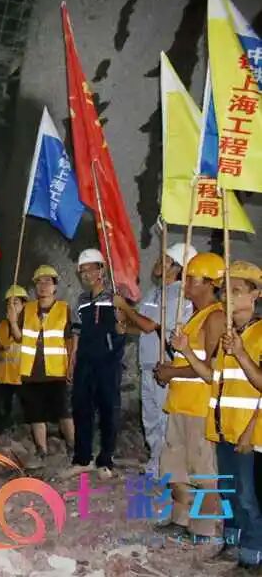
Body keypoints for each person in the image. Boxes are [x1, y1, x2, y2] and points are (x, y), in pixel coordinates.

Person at [172, 259, 261, 568]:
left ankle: (253, 556)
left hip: (248, 433)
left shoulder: (259, 334)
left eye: (237, 291)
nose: (229, 297)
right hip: (223, 428)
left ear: (255, 294)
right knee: (228, 491)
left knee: (247, 497)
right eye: (226, 291)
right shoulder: (228, 336)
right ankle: (232, 544)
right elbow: (213, 377)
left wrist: (241, 353)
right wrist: (185, 350)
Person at [154, 252, 225, 544]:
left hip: (199, 406)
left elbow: (210, 368)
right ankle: (180, 519)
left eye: (192, 279)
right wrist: (169, 368)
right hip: (180, 403)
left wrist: (171, 372)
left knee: (203, 471)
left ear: (210, 283)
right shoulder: (196, 316)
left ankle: (204, 529)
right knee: (176, 468)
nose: (185, 284)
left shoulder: (216, 317)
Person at [113, 243, 196, 476]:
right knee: (150, 418)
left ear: (178, 267)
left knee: (163, 419)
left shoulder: (178, 294)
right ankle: (155, 463)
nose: (158, 262)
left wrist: (125, 307)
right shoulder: (154, 292)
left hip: (166, 365)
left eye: (165, 260)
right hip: (149, 363)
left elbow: (151, 325)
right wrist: (126, 327)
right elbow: (144, 327)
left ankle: (168, 468)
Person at [62, 249, 126, 480]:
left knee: (108, 409)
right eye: (83, 270)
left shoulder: (115, 297)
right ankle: (82, 459)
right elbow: (77, 331)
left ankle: (105, 460)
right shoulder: (81, 300)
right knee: (81, 409)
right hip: (85, 362)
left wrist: (121, 320)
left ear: (102, 270)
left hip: (108, 362)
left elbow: (124, 327)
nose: (87, 274)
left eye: (91, 269)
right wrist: (73, 359)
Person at [8, 265, 75, 467]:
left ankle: (74, 448)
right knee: (36, 415)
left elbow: (70, 340)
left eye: (47, 281)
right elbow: (18, 338)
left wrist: (72, 365)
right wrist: (13, 322)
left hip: (57, 372)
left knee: (64, 412)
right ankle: (41, 452)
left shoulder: (64, 309)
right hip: (32, 372)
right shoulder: (27, 309)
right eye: (39, 282)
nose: (43, 286)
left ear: (55, 286)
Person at [0, 285, 27, 450]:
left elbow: (20, 338)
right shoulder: (1, 325)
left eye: (15, 302)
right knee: (2, 410)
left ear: (24, 305)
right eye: (9, 303)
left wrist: (14, 323)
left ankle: (39, 445)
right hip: (4, 376)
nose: (11, 306)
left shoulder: (30, 324)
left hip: (24, 375)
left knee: (33, 411)